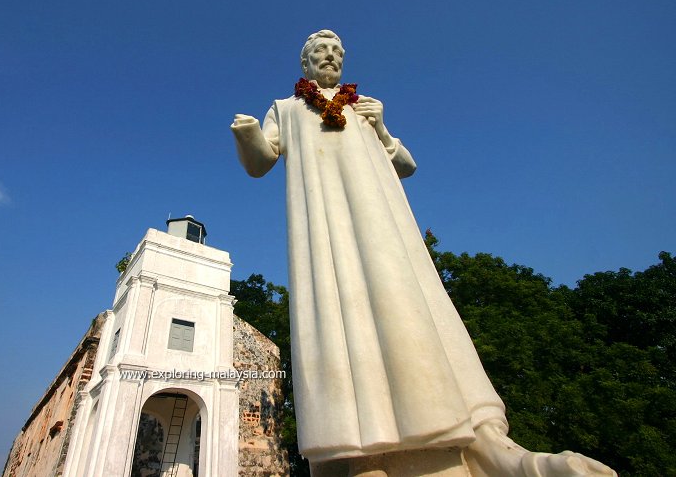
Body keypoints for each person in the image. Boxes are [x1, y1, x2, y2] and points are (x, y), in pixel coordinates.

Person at [231, 29, 615, 477]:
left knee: (413, 304)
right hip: (327, 231)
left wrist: (383, 127)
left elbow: (406, 164)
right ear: (305, 64)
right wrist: (249, 135)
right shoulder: (289, 108)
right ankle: (361, 453)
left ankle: (485, 443)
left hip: (384, 223)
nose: (331, 58)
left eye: (337, 52)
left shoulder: (364, 106)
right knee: (341, 316)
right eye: (321, 52)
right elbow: (261, 161)